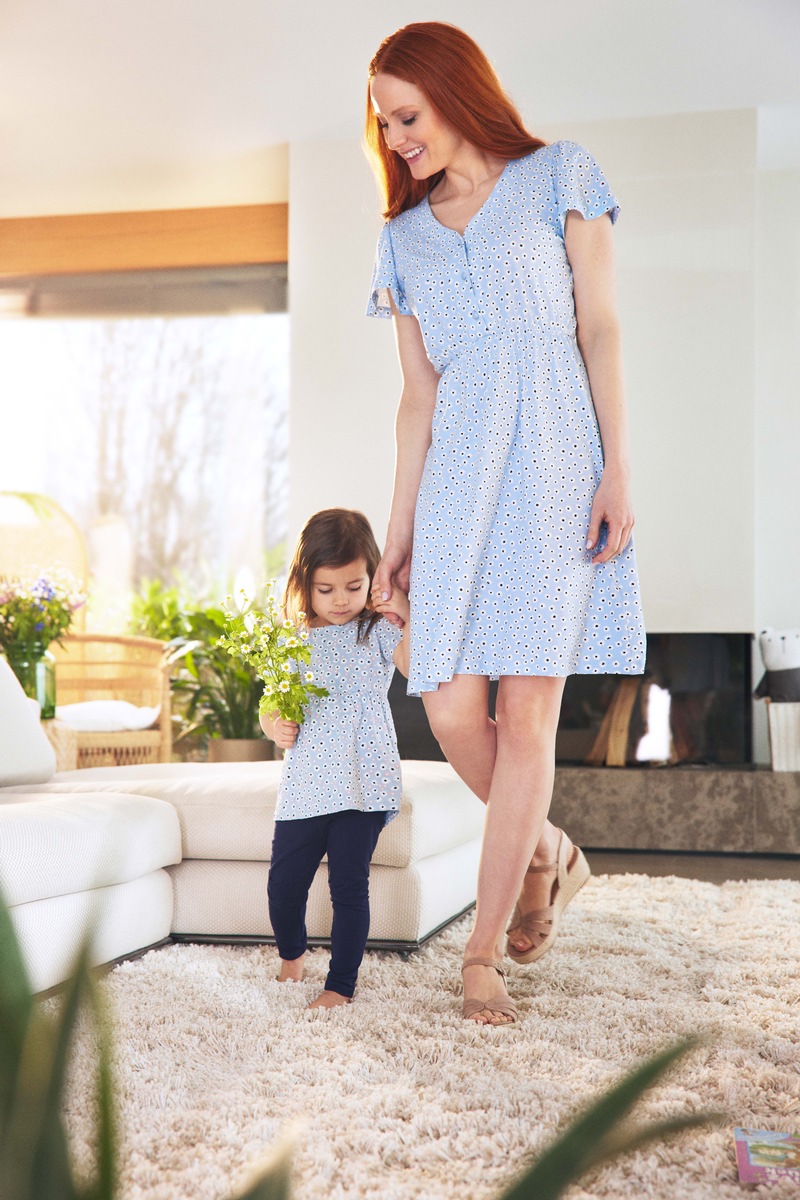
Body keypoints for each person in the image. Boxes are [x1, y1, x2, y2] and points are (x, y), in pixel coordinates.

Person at [364, 22, 645, 1025]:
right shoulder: (400, 239)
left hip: (556, 464)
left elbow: (597, 325)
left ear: (453, 89)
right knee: (445, 708)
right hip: (454, 480)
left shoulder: (558, 174)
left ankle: (480, 953)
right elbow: (416, 399)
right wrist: (394, 536)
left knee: (524, 716)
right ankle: (552, 853)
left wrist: (617, 464)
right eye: (383, 120)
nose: (394, 135)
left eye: (408, 113)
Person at [260, 508, 410, 1010]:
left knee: (349, 886)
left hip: (363, 780)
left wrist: (402, 605)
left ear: (371, 576)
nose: (341, 600)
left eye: (353, 586)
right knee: (283, 885)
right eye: (326, 590)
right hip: (305, 784)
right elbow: (272, 702)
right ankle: (292, 954)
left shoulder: (379, 631)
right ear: (305, 584)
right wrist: (272, 724)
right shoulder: (293, 638)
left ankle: (340, 985)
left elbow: (416, 667)